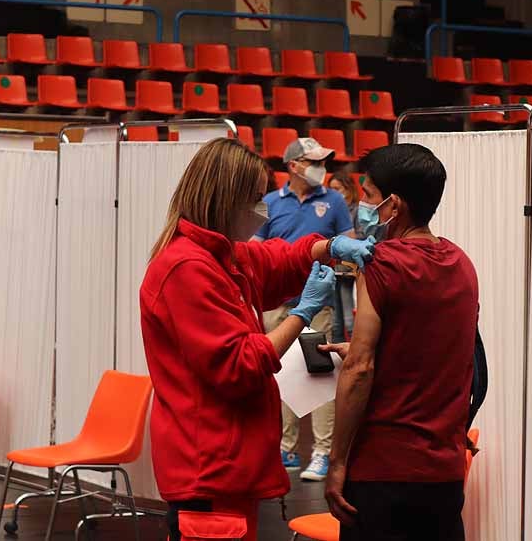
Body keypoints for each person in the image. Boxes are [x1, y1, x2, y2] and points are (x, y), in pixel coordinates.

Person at [140, 138, 374, 541]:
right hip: (208, 467)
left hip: (230, 464)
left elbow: (278, 260)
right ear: (225, 198)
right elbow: (239, 366)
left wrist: (329, 247)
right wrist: (301, 314)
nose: (260, 209)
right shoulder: (186, 268)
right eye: (252, 199)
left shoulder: (222, 254)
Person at [321, 143, 479, 541]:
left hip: (383, 471)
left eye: (370, 196)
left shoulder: (382, 263)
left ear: (394, 206)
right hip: (442, 475)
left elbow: (359, 370)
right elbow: (449, 351)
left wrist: (336, 462)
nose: (364, 206)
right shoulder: (462, 264)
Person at [253, 137, 354, 482]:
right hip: (275, 305)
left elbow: (346, 246)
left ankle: (322, 452)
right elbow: (254, 248)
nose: (321, 168)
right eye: (314, 162)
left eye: (324, 162)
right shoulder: (268, 202)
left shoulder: (335, 201)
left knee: (319, 374)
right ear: (293, 166)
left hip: (318, 305)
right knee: (277, 374)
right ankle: (285, 447)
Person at [328, 171, 361, 341]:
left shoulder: (356, 210)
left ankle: (355, 352)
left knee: (348, 317)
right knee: (335, 320)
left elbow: (359, 236)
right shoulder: (330, 210)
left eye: (338, 188)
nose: (334, 193)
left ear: (348, 189)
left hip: (347, 269)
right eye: (331, 189)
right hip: (333, 268)